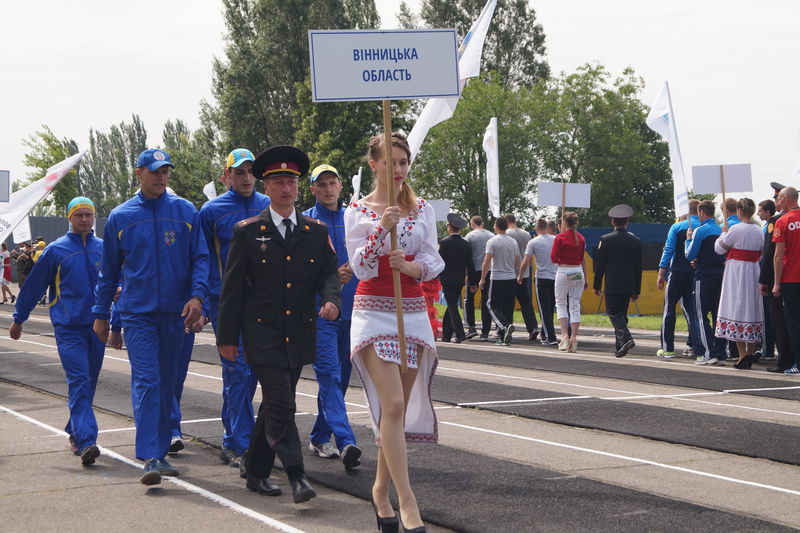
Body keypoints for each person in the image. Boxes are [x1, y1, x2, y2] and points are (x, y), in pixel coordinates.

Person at [217, 145, 341, 503]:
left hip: (298, 333)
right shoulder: (247, 231)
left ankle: (256, 471)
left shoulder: (314, 231)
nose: (286, 189)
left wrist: (331, 300)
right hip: (260, 333)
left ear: (298, 187)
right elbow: (232, 289)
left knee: (274, 404)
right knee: (283, 404)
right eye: (278, 182)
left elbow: (329, 272)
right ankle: (296, 474)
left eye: (291, 182)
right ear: (266, 187)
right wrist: (227, 337)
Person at [345, 132, 444, 532]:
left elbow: (434, 258)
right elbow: (360, 266)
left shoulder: (422, 209)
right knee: (392, 404)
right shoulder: (357, 210)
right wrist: (380, 230)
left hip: (413, 310)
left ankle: (380, 489)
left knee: (397, 409)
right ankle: (408, 501)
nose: (400, 170)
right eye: (392, 162)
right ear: (375, 164)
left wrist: (413, 268)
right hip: (373, 310)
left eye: (404, 162)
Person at [92, 148, 209, 486]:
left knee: (169, 383)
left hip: (177, 315)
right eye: (155, 171)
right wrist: (102, 314)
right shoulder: (120, 217)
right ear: (138, 173)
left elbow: (200, 258)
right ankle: (151, 456)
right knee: (148, 380)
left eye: (166, 171)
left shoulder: (186, 212)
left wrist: (198, 297)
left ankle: (159, 450)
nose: (161, 177)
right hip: (139, 315)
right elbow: (109, 272)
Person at [10, 197, 104, 465]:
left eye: (88, 214)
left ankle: (75, 431)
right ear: (69, 218)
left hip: (97, 327)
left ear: (94, 217)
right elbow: (34, 286)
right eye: (79, 215)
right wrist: (19, 318)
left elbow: (116, 283)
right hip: (68, 328)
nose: (84, 219)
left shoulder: (103, 249)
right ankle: (87, 441)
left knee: (89, 383)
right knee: (79, 381)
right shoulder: (56, 250)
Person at [199, 148, 268, 470]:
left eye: (250, 171)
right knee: (237, 373)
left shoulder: (268, 205)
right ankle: (243, 445)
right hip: (227, 303)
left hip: (264, 304)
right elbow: (202, 259)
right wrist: (202, 299)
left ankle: (231, 440)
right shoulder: (211, 211)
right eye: (238, 172)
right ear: (226, 175)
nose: (245, 177)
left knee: (251, 374)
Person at [302, 163, 362, 470]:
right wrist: (329, 279)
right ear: (312, 189)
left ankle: (319, 435)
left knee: (340, 380)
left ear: (340, 186)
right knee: (330, 375)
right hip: (321, 312)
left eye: (332, 183)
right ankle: (345, 439)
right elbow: (296, 272)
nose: (328, 189)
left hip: (353, 313)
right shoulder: (306, 223)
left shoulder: (353, 218)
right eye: (321, 184)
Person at [713, 198, 764, 369]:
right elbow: (761, 252)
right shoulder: (758, 230)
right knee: (752, 308)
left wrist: (723, 233)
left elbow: (719, 248)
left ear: (740, 211)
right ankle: (749, 352)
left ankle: (743, 355)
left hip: (736, 271)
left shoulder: (734, 229)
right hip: (753, 269)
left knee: (737, 308)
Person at [593, 205, 643, 358]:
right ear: (627, 222)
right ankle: (620, 346)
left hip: (613, 284)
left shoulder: (606, 240)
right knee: (621, 315)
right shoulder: (636, 241)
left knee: (614, 313)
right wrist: (637, 290)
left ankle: (626, 339)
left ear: (613, 222)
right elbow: (638, 268)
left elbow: (600, 265)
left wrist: (597, 285)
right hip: (629, 284)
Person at [656, 200, 701, 358]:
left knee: (668, 310)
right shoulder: (702, 228)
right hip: (695, 274)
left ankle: (668, 348)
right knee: (692, 313)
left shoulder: (677, 227)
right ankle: (698, 349)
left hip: (676, 273)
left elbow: (668, 250)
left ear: (685, 211)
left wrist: (661, 272)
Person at [685, 200, 726, 365]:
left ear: (701, 212)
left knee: (700, 315)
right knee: (718, 315)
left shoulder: (699, 231)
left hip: (704, 276)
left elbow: (689, 254)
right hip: (721, 275)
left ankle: (709, 353)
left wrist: (688, 239)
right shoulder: (722, 229)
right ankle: (722, 353)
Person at [760, 189, 793, 373]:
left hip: (779, 278)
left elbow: (770, 253)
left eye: (777, 198)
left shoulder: (776, 221)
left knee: (780, 322)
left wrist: (764, 280)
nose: (776, 202)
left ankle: (785, 360)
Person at [479, 216, 521, 346]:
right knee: (508, 306)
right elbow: (517, 260)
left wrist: (482, 278)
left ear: (496, 226)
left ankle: (504, 326)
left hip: (497, 277)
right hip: (510, 277)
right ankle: (504, 336)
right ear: (507, 226)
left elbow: (487, 261)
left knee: (491, 305)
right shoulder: (513, 242)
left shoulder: (492, 241)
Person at [772, 186, 800, 375]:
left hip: (791, 279)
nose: (777, 202)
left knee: (794, 323)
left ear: (787, 199)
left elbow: (778, 256)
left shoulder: (783, 221)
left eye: (779, 199)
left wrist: (776, 283)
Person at [551, 212, 588, 353]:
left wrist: (561, 261)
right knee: (575, 304)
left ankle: (564, 336)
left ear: (564, 223)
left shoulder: (559, 237)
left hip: (563, 271)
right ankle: (574, 338)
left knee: (561, 303)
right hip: (577, 272)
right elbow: (581, 258)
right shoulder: (581, 238)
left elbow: (554, 258)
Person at [438, 212, 476, 343]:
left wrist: (435, 276)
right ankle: (446, 335)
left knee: (452, 307)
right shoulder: (466, 244)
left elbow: (439, 262)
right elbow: (470, 264)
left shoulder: (444, 243)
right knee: (451, 305)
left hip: (447, 279)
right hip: (460, 280)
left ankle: (460, 334)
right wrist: (472, 282)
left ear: (449, 226)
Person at [519, 218, 558, 346]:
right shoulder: (555, 239)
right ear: (547, 228)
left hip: (542, 277)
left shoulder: (533, 242)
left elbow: (526, 261)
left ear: (536, 228)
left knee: (544, 308)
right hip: (556, 277)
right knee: (551, 307)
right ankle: (545, 332)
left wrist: (520, 276)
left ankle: (549, 336)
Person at [505, 213, 539, 340]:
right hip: (524, 273)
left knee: (508, 302)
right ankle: (532, 327)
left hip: (510, 273)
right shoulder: (526, 234)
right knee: (526, 302)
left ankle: (506, 328)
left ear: (506, 222)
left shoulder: (506, 234)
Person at [463, 215, 494, 340]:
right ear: (482, 223)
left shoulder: (469, 236)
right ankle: (485, 332)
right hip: (488, 271)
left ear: (472, 223)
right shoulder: (492, 235)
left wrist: (466, 274)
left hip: (473, 271)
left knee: (469, 300)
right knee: (486, 301)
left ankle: (471, 327)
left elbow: (466, 256)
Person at [756, 198, 777, 361]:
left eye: (760, 210)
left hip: (767, 274)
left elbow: (766, 253)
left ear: (768, 212)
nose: (758, 213)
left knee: (767, 314)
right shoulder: (765, 227)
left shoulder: (769, 227)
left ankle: (767, 348)